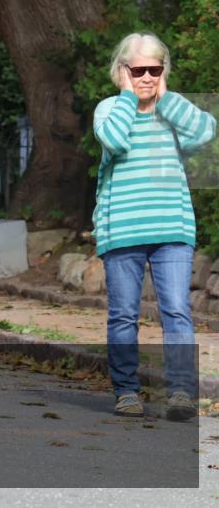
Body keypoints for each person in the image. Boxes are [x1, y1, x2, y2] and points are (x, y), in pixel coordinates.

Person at [92, 32, 215, 421]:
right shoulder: (109, 109)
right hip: (122, 231)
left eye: (154, 69)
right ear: (122, 71)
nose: (146, 77)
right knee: (123, 315)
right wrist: (130, 97)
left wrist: (168, 97)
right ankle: (127, 391)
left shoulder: (172, 112)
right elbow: (115, 141)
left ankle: (180, 392)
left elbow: (207, 132)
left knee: (177, 311)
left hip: (172, 230)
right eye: (138, 69)